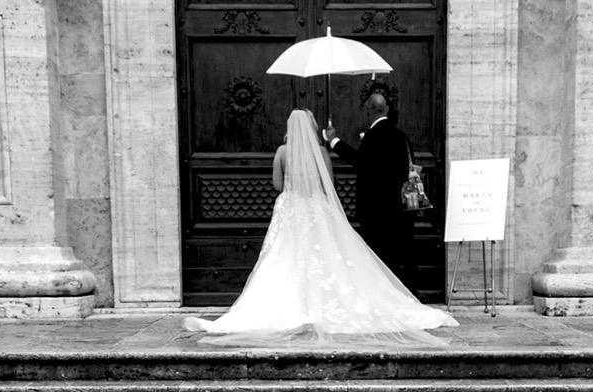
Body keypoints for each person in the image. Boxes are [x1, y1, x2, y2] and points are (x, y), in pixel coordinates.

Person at [190, 108, 455, 337]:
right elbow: (329, 183)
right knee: (327, 255)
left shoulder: (282, 152)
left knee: (286, 256)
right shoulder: (320, 152)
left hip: (292, 210)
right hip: (317, 209)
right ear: (313, 127)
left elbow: (278, 185)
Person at [325, 83, 418, 290]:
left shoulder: (373, 136)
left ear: (368, 111)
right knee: (400, 253)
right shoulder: (401, 136)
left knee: (378, 255)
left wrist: (334, 140)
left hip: (374, 209)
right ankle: (408, 291)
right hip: (399, 206)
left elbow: (359, 161)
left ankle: (384, 292)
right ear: (386, 109)